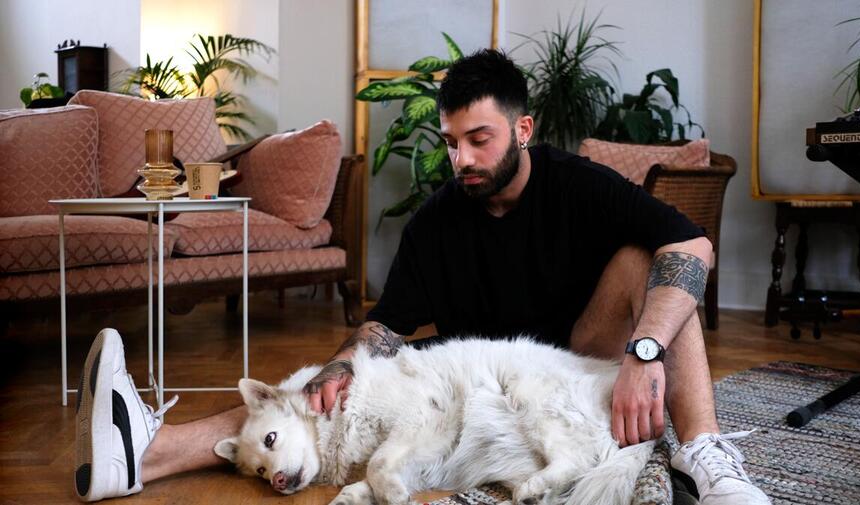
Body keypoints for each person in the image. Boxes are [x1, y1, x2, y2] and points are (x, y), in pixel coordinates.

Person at [74, 50, 770, 505]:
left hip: (580, 365)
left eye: (480, 139)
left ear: (523, 129)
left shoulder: (578, 185)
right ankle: (146, 453)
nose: (461, 157)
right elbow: (387, 326)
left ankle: (707, 454)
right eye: (451, 142)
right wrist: (340, 367)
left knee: (651, 261)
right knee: (300, 403)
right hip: (479, 389)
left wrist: (645, 353)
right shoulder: (438, 221)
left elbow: (693, 243)